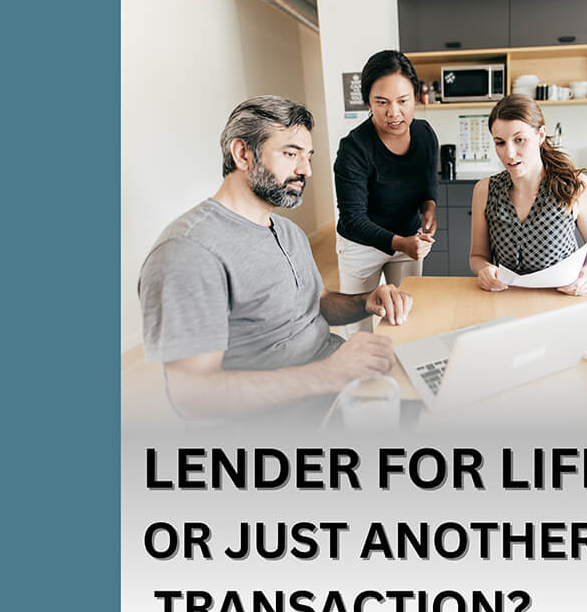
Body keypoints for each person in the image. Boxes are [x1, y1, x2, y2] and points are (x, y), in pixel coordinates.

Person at [138, 96, 412, 421]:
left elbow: (316, 302)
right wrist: (330, 373)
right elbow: (192, 395)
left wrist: (366, 301)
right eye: (291, 153)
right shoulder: (188, 251)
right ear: (242, 154)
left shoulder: (287, 230)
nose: (306, 170)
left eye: (308, 156)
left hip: (338, 382)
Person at [334, 50, 439, 332]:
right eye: (382, 102)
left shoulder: (424, 134)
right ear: (368, 101)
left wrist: (429, 209)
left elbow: (428, 183)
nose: (394, 112)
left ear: (416, 97)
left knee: (404, 320)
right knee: (358, 327)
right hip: (361, 246)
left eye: (403, 101)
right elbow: (353, 219)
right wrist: (401, 243)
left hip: (408, 239)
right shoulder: (354, 148)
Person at [469, 94, 587, 296]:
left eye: (519, 140)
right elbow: (477, 256)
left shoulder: (575, 186)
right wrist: (484, 270)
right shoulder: (484, 190)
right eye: (500, 142)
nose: (509, 153)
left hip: (561, 299)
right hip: (505, 298)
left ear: (541, 135)